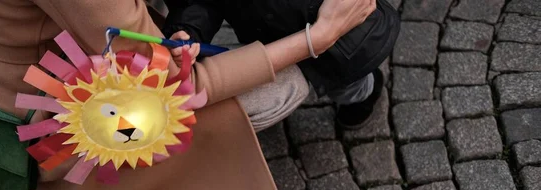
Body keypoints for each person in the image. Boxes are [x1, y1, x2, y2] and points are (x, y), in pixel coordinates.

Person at [0, 0, 375, 190]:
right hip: (51, 137)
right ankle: (351, 85)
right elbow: (175, 87)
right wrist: (316, 39)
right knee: (284, 83)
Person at [162, 0, 400, 130]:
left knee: (345, 87)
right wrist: (187, 29)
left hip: (347, 42)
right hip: (273, 36)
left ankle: (367, 91)